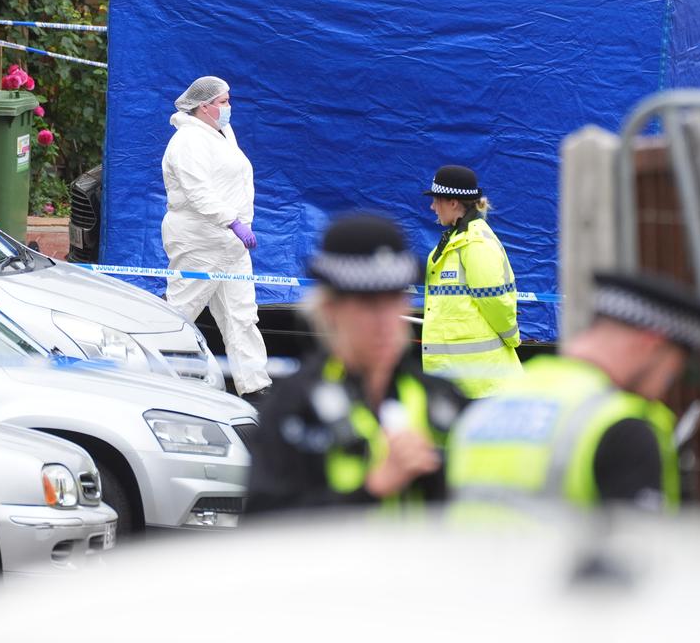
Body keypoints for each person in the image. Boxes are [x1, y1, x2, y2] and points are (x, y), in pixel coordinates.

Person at [446, 269, 700, 512]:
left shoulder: (491, 405)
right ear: (651, 344)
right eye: (674, 370)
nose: (665, 387)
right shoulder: (621, 427)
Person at [246, 213, 467, 514]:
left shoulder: (440, 399)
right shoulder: (292, 407)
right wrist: (373, 489)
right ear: (330, 308)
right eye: (367, 304)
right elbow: (264, 533)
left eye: (393, 299)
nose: (384, 321)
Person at [161, 76, 270, 401]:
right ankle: (160, 381)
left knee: (242, 315)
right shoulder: (186, 143)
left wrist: (237, 228)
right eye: (223, 101)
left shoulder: (219, 134)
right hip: (199, 242)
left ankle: (255, 386)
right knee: (181, 312)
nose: (228, 107)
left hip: (230, 245)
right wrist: (232, 222)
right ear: (203, 106)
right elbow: (198, 192)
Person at [422, 164, 521, 397]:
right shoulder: (459, 239)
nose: (432, 206)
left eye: (437, 200)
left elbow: (494, 301)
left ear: (453, 203)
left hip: (479, 384)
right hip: (463, 379)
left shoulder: (474, 243)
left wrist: (511, 338)